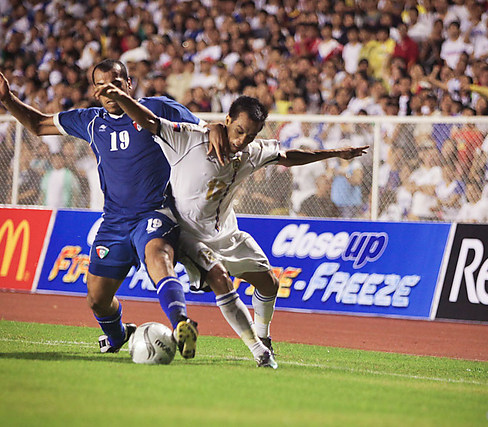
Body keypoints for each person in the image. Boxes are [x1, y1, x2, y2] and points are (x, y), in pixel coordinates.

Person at [92, 85, 367, 367]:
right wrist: (122, 98)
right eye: (239, 131)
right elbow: (150, 121)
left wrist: (336, 153)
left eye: (251, 135)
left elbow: (288, 156)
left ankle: (264, 337)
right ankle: (258, 352)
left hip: (227, 234)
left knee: (269, 283)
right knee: (220, 278)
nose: (242, 140)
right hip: (186, 233)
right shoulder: (189, 139)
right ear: (227, 120)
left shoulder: (250, 152)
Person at [0, 60, 228, 359]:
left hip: (156, 212)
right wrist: (6, 98)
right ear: (96, 92)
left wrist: (215, 128)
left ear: (129, 84)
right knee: (96, 299)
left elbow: (201, 127)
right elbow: (38, 124)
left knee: (158, 256)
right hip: (114, 222)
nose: (110, 90)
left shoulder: (158, 109)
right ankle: (118, 335)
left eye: (116, 84)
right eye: (103, 86)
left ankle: (182, 325)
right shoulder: (90, 121)